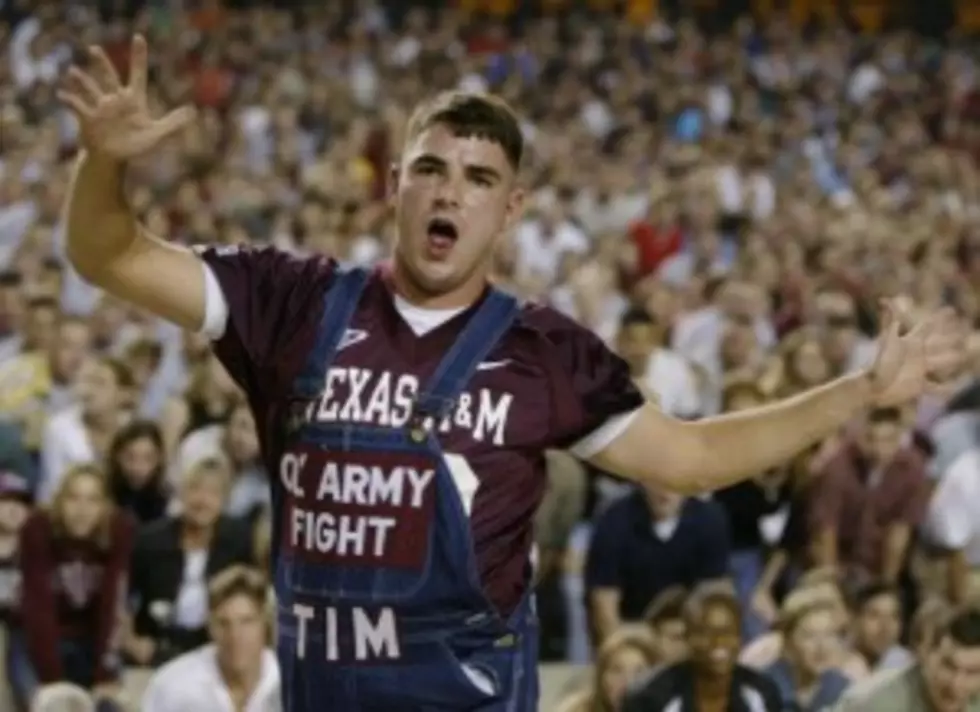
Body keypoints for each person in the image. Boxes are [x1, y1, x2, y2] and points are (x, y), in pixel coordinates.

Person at [58, 35, 965, 711]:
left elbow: (688, 460)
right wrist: (103, 164)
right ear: (395, 188)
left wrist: (860, 391)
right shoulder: (289, 301)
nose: (451, 190)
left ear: (511, 209)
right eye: (431, 168)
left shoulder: (546, 351)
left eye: (479, 177)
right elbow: (110, 257)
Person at [622, 582, 781, 711]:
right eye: (705, 633)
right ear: (688, 638)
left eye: (728, 632)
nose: (718, 642)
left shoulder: (762, 692)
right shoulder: (651, 698)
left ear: (740, 638)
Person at [140, 566, 280, 712]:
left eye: (247, 622)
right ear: (210, 628)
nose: (235, 635)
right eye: (223, 623)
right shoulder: (173, 686)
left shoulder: (290, 685)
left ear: (265, 624)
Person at [832, 605, 980, 712]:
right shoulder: (877, 703)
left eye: (973, 672)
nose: (956, 684)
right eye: (948, 666)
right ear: (925, 655)